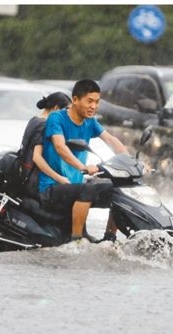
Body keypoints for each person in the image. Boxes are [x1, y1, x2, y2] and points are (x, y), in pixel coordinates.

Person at [38, 79, 128, 242]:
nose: (93, 106)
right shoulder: (56, 119)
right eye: (89, 101)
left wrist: (132, 162)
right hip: (52, 186)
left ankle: (109, 238)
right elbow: (60, 146)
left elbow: (110, 139)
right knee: (87, 190)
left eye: (97, 102)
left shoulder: (90, 122)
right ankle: (77, 241)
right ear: (75, 100)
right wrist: (82, 166)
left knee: (118, 190)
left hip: (74, 184)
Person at [19, 92, 72, 199]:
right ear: (56, 108)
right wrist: (59, 178)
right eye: (67, 111)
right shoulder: (45, 125)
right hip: (36, 182)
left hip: (25, 176)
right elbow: (37, 157)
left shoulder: (34, 120)